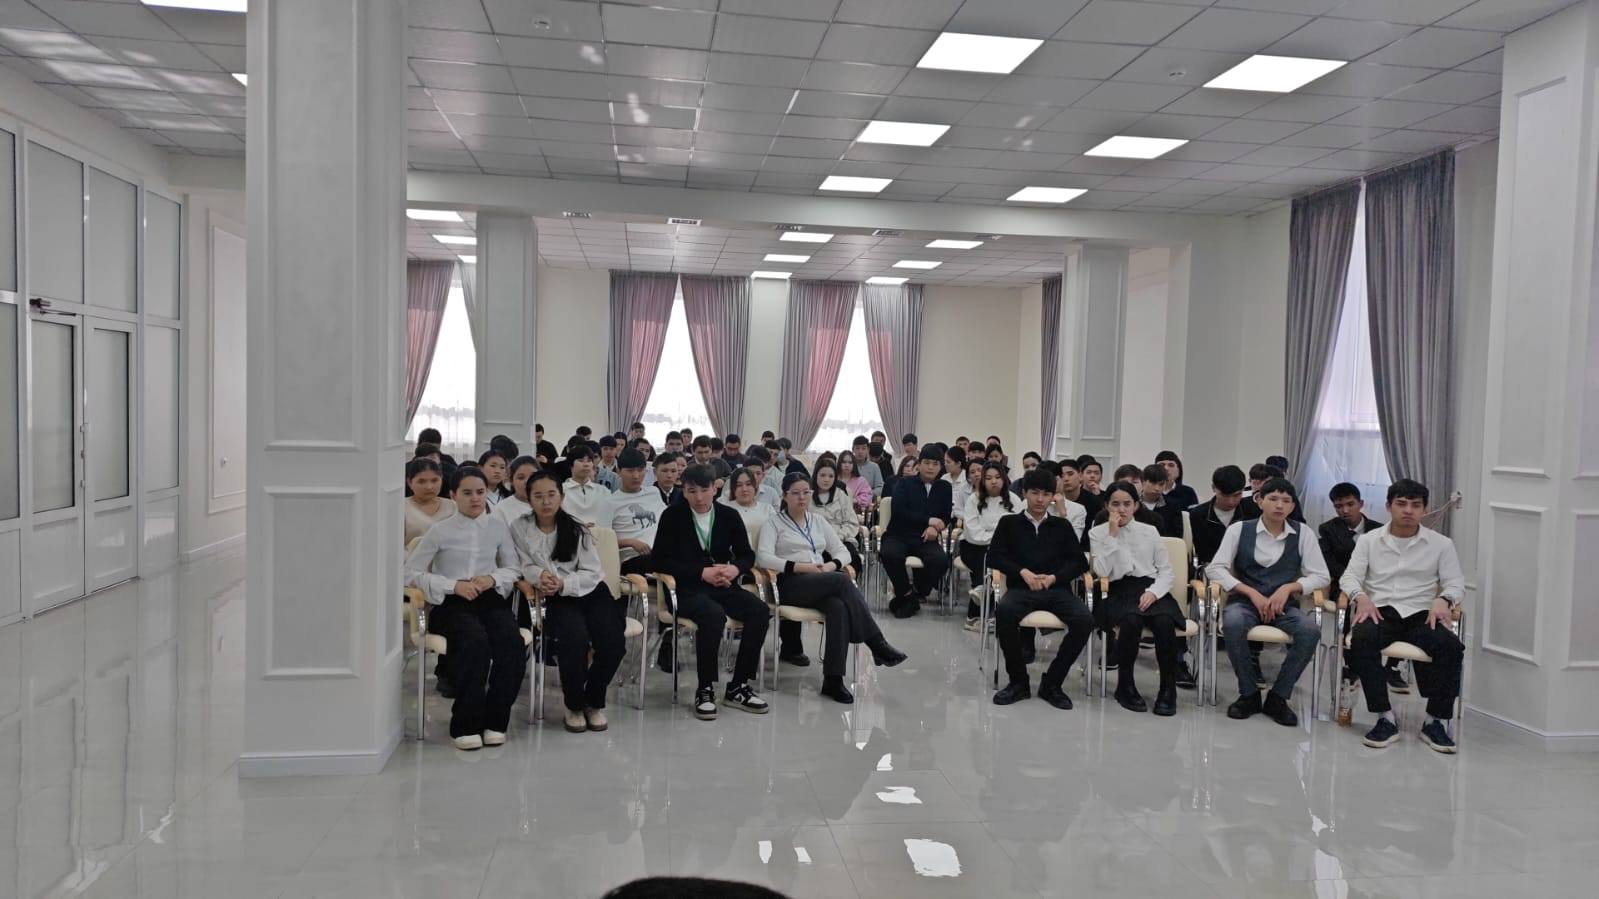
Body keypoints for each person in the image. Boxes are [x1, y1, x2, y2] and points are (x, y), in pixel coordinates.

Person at [404, 466, 526, 751]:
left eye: (480, 492)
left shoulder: (497, 527)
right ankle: (466, 724)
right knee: (474, 644)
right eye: (467, 493)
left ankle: (496, 721)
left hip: (488, 598)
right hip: (452, 602)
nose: (475, 499)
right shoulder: (440, 530)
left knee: (512, 644)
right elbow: (409, 573)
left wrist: (492, 578)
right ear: (453, 495)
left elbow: (513, 568)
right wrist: (452, 585)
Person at [758, 472, 906, 704]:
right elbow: (763, 557)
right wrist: (799, 566)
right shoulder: (773, 523)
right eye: (795, 493)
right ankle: (877, 643)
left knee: (838, 607)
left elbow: (843, 551)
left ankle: (833, 680)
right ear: (784, 496)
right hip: (789, 582)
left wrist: (830, 565)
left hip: (819, 580)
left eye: (806, 492)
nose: (802, 498)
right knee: (841, 581)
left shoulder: (817, 521)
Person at [1340, 479, 1465, 753]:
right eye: (1401, 504)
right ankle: (1384, 717)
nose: (1408, 510)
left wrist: (1444, 599)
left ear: (1424, 509)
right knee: (1361, 640)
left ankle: (1435, 721)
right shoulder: (1369, 540)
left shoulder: (1441, 544)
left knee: (1451, 647)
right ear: (1389, 506)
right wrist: (1360, 597)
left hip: (1422, 613)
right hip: (1380, 611)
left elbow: (1455, 583)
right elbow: (1349, 577)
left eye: (1415, 505)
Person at [1206, 477, 1330, 727]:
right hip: (1245, 601)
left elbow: (1321, 575)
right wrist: (1250, 592)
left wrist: (1289, 587)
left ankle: (1278, 697)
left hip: (1284, 606)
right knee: (1233, 623)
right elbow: (1215, 569)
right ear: (1259, 500)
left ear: (1293, 506)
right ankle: (1249, 693)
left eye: (1286, 500)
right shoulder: (1239, 529)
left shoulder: (1303, 533)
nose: (1279, 505)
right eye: (1273, 499)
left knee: (1310, 631)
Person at [651, 464, 772, 719]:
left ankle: (738, 685)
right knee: (713, 615)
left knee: (760, 611)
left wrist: (734, 569)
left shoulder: (728, 515)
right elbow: (659, 561)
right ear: (683, 491)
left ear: (715, 489)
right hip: (686, 589)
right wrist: (700, 572)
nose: (698, 497)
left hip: (722, 584)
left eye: (704, 490)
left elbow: (746, 555)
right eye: (691, 491)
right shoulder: (672, 516)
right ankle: (705, 687)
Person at [511, 471, 626, 734]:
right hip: (556, 598)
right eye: (538, 496)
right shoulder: (519, 527)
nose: (545, 502)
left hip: (590, 591)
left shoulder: (576, 528)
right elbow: (522, 563)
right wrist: (540, 576)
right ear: (529, 499)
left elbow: (592, 572)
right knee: (573, 641)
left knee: (613, 643)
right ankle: (573, 705)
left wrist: (564, 583)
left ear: (561, 497)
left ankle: (593, 701)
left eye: (551, 495)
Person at [988, 469, 1094, 709]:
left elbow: (1079, 562)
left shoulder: (1061, 525)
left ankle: (1053, 683)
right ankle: (1018, 682)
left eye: (1046, 494)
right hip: (1021, 588)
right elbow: (994, 557)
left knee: (1084, 620)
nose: (1040, 499)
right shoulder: (1009, 523)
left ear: (1053, 497)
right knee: (1004, 613)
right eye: (1034, 493)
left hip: (1056, 589)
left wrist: (1054, 578)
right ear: (1024, 493)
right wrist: (1022, 572)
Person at [1091, 482, 1183, 717]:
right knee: (1131, 621)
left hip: (1150, 586)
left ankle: (1168, 689)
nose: (1121, 509)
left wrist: (1154, 592)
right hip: (1117, 588)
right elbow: (1102, 571)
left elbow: (1166, 571)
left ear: (1136, 506)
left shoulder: (1149, 531)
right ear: (1106, 506)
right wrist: (1112, 535)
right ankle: (1125, 685)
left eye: (1127, 504)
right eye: (1115, 504)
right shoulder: (1098, 533)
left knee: (1164, 622)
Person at [881, 446, 953, 619]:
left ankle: (918, 591)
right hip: (898, 534)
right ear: (919, 465)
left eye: (935, 464)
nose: (930, 467)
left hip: (925, 537)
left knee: (940, 561)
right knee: (889, 553)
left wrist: (936, 527)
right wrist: (928, 521)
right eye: (927, 463)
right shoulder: (904, 483)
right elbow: (899, 511)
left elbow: (945, 515)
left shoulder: (945, 487)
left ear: (941, 467)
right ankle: (906, 594)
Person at [960, 462, 1014, 629]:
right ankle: (978, 611)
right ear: (983, 480)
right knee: (987, 560)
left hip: (1004, 548)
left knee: (995, 561)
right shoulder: (973, 499)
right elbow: (972, 531)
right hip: (973, 546)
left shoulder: (1014, 500)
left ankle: (980, 599)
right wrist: (997, 538)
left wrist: (997, 539)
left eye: (997, 477)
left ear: (1004, 479)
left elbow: (1016, 530)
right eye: (989, 478)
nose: (994, 481)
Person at [607, 449, 665, 578]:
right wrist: (630, 542)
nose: (636, 476)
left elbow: (668, 520)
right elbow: (602, 540)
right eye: (630, 471)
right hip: (631, 560)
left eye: (640, 470)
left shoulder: (654, 492)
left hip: (660, 553)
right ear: (618, 471)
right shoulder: (610, 502)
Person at [1188, 465, 1255, 575]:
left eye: (1237, 495)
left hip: (1247, 571)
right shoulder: (1199, 515)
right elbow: (1204, 554)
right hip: (1213, 569)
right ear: (1213, 488)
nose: (1231, 501)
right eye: (1225, 495)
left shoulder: (1251, 511)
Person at [812, 460, 864, 563]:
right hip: (815, 542)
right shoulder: (807, 497)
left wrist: (839, 536)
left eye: (831, 476)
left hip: (841, 540)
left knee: (853, 559)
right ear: (815, 476)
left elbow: (852, 523)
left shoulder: (841, 495)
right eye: (822, 475)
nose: (826, 479)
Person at [404, 458, 457, 544]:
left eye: (434, 480)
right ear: (410, 482)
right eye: (421, 481)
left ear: (441, 479)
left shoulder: (452, 506)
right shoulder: (402, 507)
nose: (429, 487)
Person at [560, 445, 608, 526]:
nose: (586, 464)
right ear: (570, 464)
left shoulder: (603, 491)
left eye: (589, 461)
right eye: (581, 460)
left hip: (599, 532)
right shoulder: (561, 490)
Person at [1137, 463, 1186, 539]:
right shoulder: (1133, 504)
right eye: (1153, 483)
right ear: (1143, 482)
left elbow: (1177, 535)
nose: (1157, 488)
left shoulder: (1173, 506)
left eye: (1161, 484)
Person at [493, 455, 539, 525]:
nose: (527, 481)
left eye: (533, 476)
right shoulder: (500, 510)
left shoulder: (550, 504)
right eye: (521, 477)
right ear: (511, 481)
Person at [942, 445, 971, 513]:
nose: (945, 464)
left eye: (948, 462)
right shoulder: (944, 478)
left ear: (958, 464)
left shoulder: (968, 479)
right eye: (945, 461)